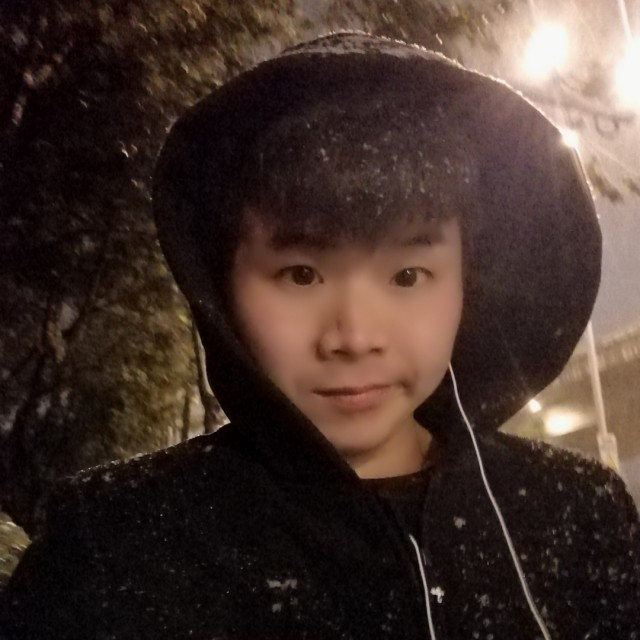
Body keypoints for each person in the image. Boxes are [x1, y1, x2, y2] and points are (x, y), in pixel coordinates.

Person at [2, 31, 639, 640]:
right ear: (222, 287)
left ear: (465, 286)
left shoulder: (583, 517)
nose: (355, 337)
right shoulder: (114, 548)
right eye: (301, 274)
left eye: (408, 275)